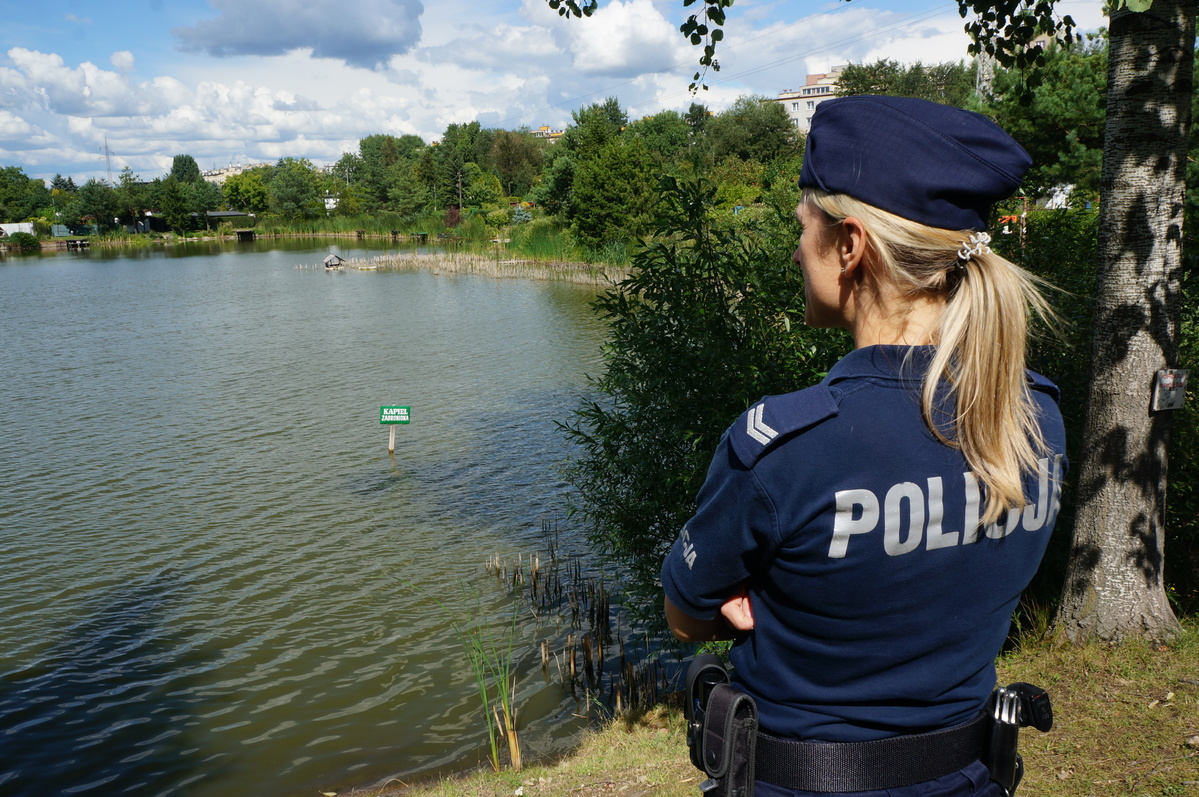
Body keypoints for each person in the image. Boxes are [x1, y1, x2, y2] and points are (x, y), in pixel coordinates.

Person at [660, 95, 1068, 796]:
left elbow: (685, 614)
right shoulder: (1033, 417)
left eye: (804, 229)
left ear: (848, 246)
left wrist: (750, 585)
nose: (795, 249)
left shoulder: (786, 447)